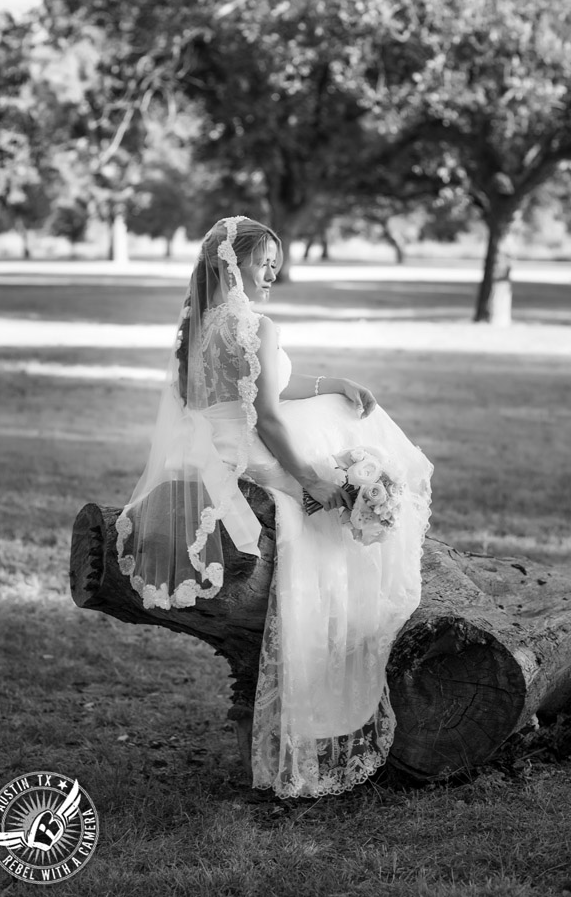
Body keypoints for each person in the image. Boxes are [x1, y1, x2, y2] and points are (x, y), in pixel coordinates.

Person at [116, 216, 433, 799]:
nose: (272, 274)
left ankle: (367, 485)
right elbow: (266, 415)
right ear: (234, 264)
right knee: (354, 441)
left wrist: (333, 380)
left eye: (275, 266)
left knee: (337, 411)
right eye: (264, 263)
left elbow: (260, 391)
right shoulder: (256, 324)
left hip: (220, 454)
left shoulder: (199, 325)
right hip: (258, 457)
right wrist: (309, 477)